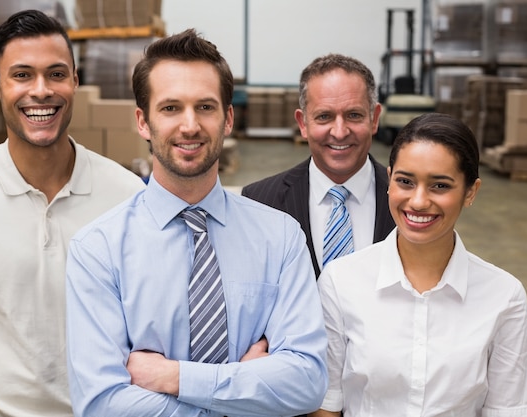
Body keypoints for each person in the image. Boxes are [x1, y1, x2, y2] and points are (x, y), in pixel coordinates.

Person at [65, 28, 329, 417]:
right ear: (142, 121)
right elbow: (103, 404)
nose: (190, 126)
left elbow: (307, 382)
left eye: (205, 107)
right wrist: (242, 386)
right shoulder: (97, 250)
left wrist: (175, 378)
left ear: (228, 119)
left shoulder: (281, 237)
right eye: (171, 108)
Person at [0, 10, 145, 417]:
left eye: (56, 74)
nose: (41, 90)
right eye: (22, 75)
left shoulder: (128, 197)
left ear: (74, 80)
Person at [313, 112, 527, 416]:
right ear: (389, 180)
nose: (417, 201)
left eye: (440, 186)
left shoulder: (504, 297)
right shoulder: (341, 282)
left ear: (471, 192)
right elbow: (327, 405)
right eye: (405, 181)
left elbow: (507, 410)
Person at [242, 54, 395, 276]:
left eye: (353, 115)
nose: (340, 132)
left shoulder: (407, 200)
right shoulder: (260, 203)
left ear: (374, 118)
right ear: (303, 123)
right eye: (324, 116)